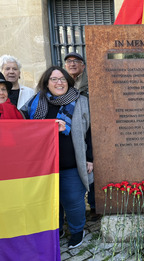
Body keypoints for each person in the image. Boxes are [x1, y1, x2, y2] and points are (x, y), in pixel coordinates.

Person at [21, 66, 92, 249]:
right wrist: (47, 126)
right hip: (42, 165)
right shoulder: (36, 101)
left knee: (73, 200)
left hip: (71, 163)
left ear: (68, 81)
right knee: (49, 200)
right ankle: (56, 229)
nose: (59, 82)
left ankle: (77, 231)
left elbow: (92, 132)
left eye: (62, 79)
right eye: (54, 79)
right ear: (46, 83)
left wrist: (90, 158)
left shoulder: (81, 101)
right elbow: (21, 126)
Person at [64, 52, 99, 221]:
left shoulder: (90, 82)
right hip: (69, 129)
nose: (72, 64)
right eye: (69, 62)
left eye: (76, 61)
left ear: (83, 66)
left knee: (91, 165)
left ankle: (93, 205)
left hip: (90, 125)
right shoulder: (62, 83)